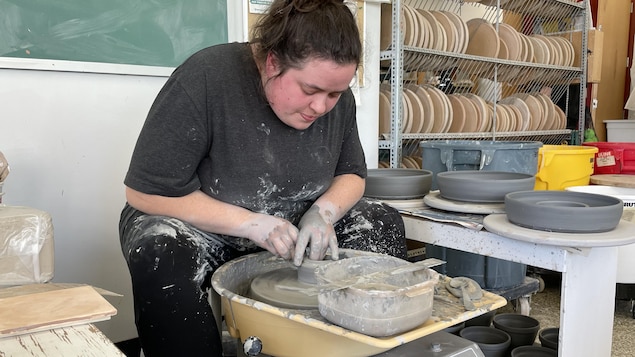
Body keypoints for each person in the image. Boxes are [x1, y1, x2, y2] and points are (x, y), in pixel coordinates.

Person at [118, 0, 408, 355]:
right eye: (310, 90)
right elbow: (146, 192)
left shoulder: (338, 101)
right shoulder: (206, 77)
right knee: (160, 252)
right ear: (272, 63)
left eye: (334, 93)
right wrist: (251, 224)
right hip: (203, 225)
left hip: (292, 223)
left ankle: (362, 347)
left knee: (381, 222)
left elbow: (351, 175)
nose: (321, 107)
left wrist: (324, 213)